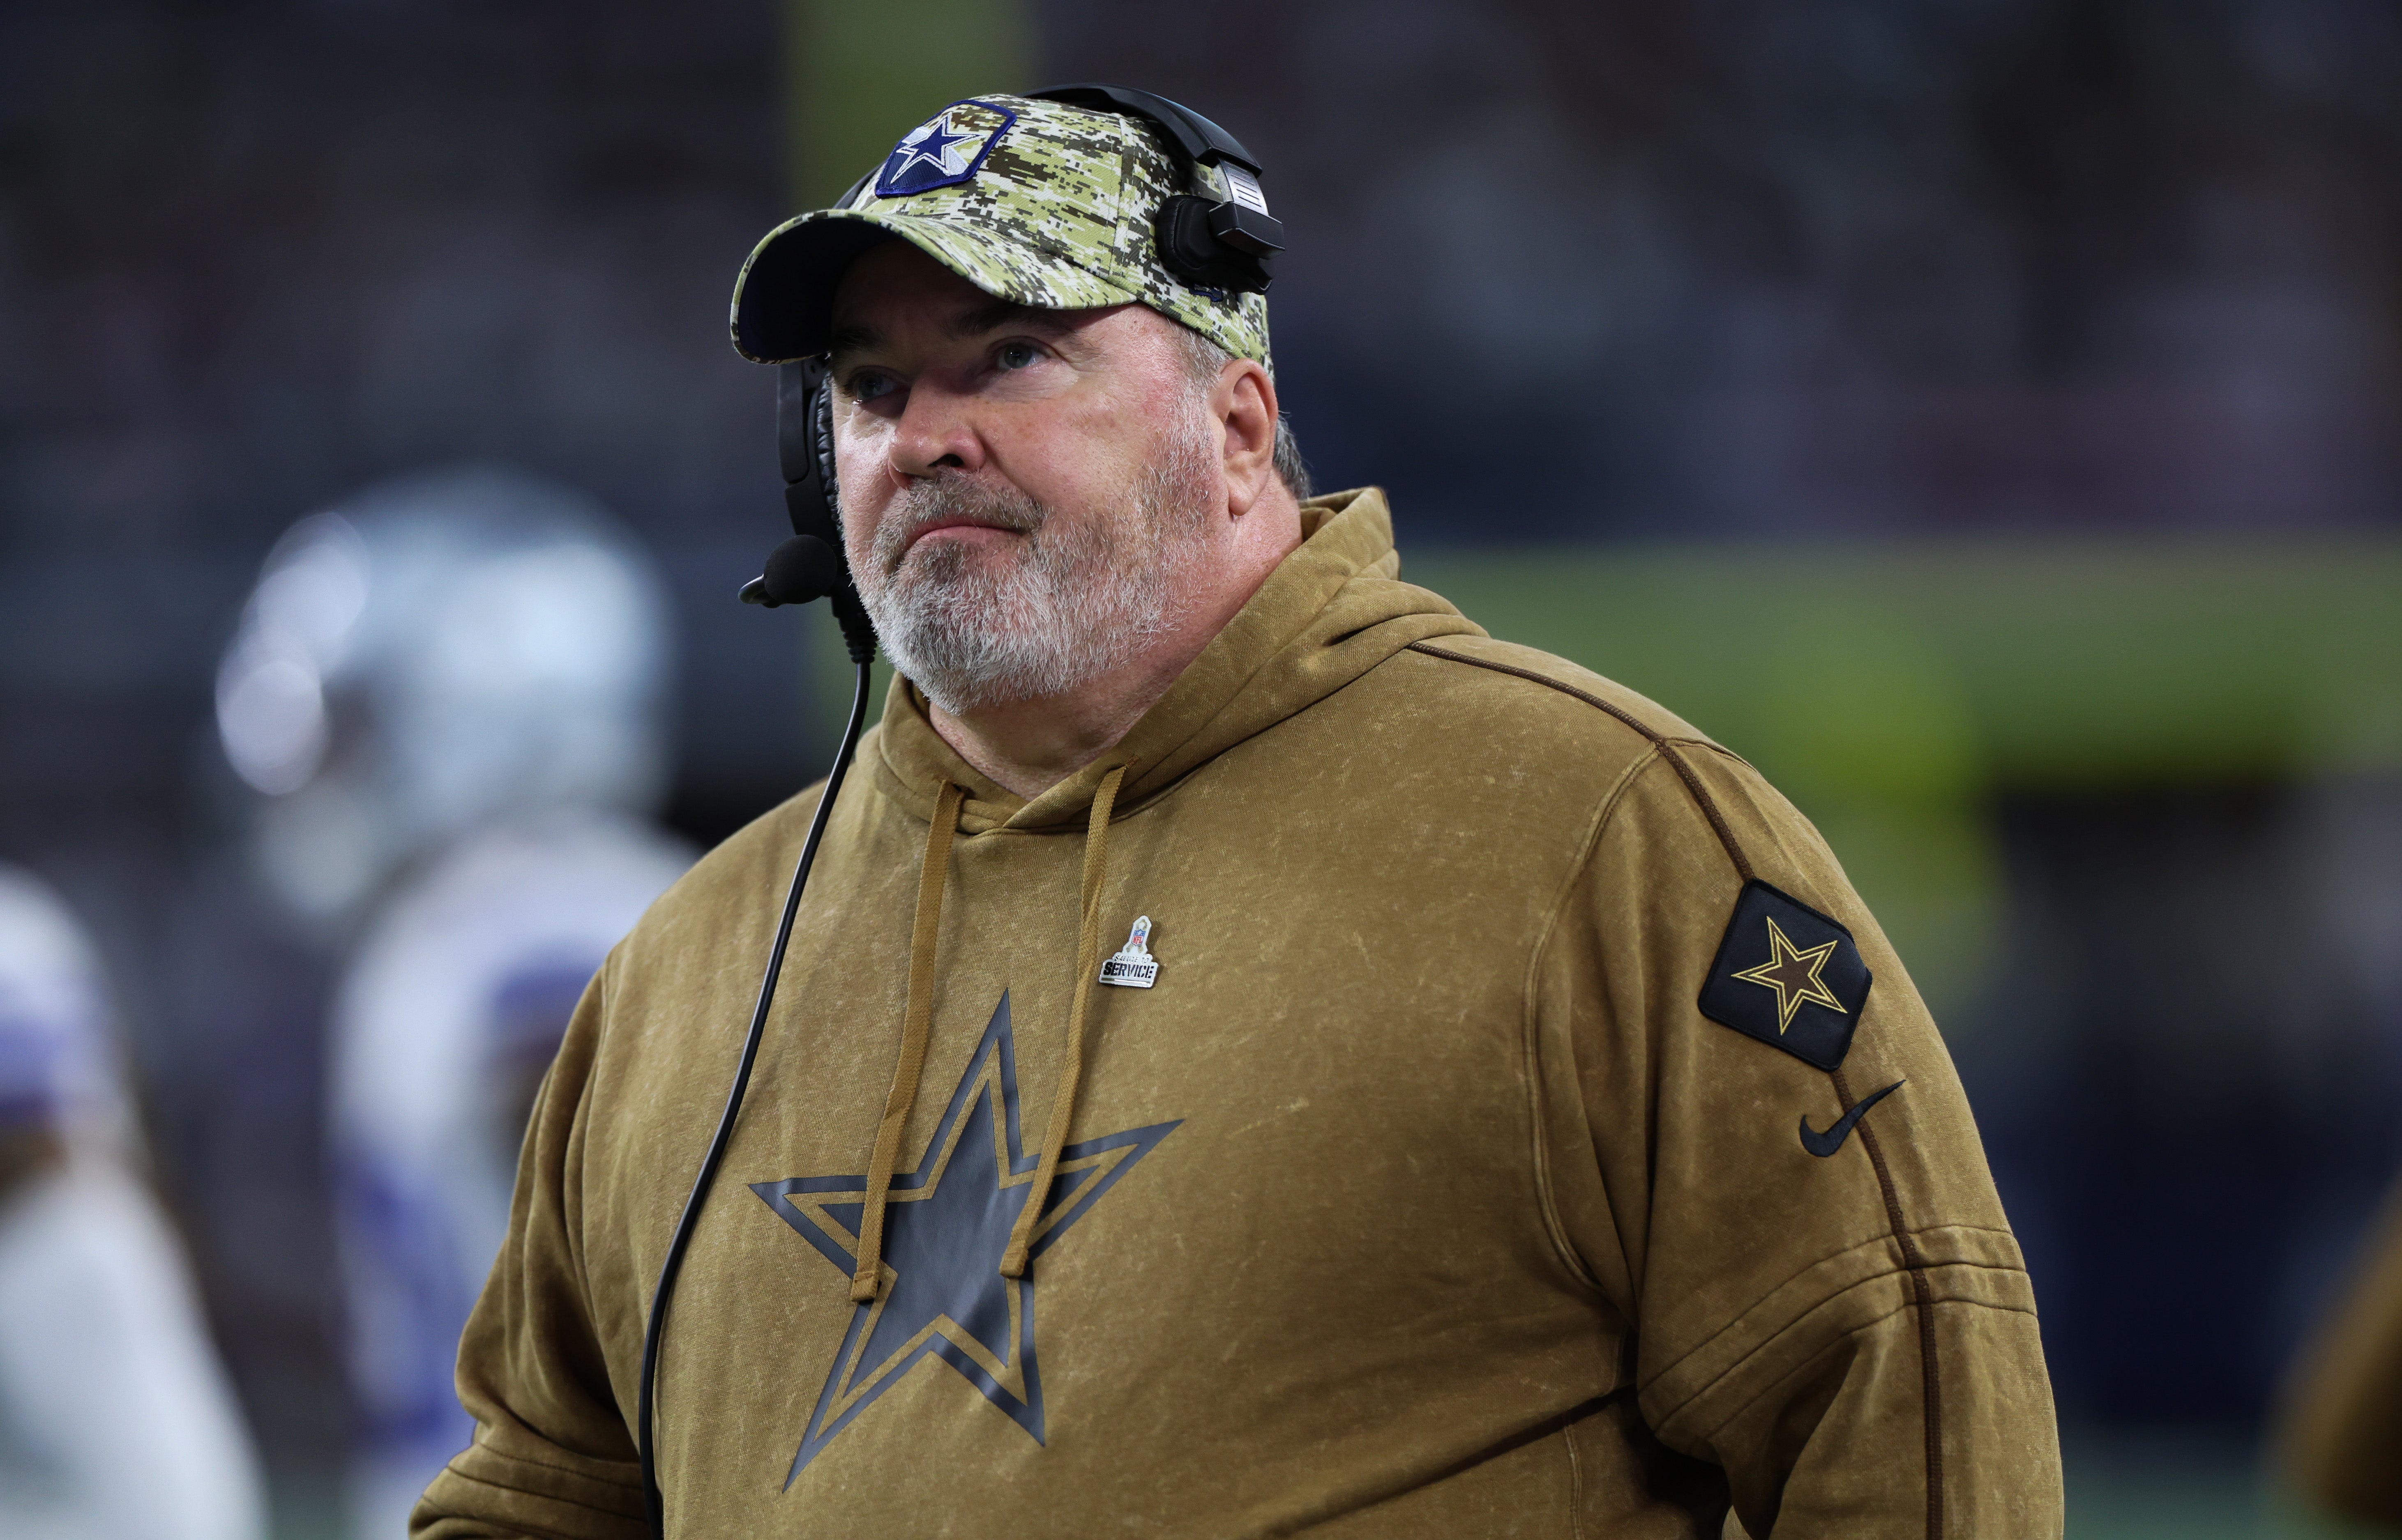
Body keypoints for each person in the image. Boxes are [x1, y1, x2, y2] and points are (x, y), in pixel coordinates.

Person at [414, 91, 2061, 1538]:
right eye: (866, 385)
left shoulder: (1599, 838)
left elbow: (1910, 1420)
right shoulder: (697, 964)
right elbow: (538, 1492)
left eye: (1012, 352)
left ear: (1240, 427)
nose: (924, 435)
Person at [217, 470, 694, 1539]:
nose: (334, 763)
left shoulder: (535, 932)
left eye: (365, 722)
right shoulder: (477, 929)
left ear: (474, 714)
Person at [0, 863, 268, 1540]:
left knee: (172, 1513)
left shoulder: (15, 925)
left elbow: (37, 1134)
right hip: (84, 1246)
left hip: (49, 1257)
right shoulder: (30, 910)